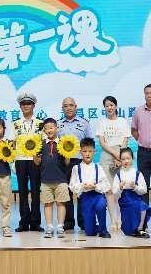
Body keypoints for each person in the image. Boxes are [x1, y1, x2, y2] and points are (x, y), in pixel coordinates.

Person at [58, 96, 93, 232]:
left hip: (80, 161)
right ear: (62, 108)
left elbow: (89, 143)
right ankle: (68, 222)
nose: (69, 108)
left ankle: (83, 221)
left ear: (76, 107)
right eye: (66, 106)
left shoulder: (84, 123)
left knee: (81, 191)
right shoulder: (58, 124)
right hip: (64, 162)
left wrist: (87, 160)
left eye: (71, 105)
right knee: (66, 192)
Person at [96, 96, 130, 230]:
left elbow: (125, 140)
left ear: (116, 106)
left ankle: (121, 220)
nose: (109, 108)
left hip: (122, 154)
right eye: (107, 106)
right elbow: (102, 142)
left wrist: (120, 156)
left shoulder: (123, 121)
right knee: (109, 190)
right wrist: (115, 154)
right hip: (107, 154)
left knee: (121, 189)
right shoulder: (101, 122)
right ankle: (113, 220)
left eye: (111, 105)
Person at [68, 137, 111, 238]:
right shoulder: (76, 168)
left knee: (101, 205)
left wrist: (95, 186)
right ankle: (94, 227)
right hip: (85, 198)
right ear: (80, 152)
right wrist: (82, 186)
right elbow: (72, 186)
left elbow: (106, 185)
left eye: (90, 151)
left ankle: (103, 230)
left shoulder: (98, 167)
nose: (87, 154)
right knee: (90, 232)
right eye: (84, 151)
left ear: (94, 152)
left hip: (97, 196)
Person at [35, 118, 70, 238]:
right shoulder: (40, 144)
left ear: (56, 128)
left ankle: (60, 227)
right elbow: (37, 163)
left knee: (61, 203)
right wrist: (34, 155)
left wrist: (67, 155)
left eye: (51, 127)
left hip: (61, 180)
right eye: (46, 128)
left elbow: (67, 163)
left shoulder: (63, 143)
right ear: (44, 130)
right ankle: (49, 227)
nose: (49, 130)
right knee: (48, 204)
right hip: (45, 180)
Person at [13, 91, 43, 232]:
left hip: (35, 160)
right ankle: (24, 222)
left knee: (36, 191)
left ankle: (35, 222)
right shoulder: (15, 124)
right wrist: (13, 162)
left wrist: (40, 159)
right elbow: (12, 144)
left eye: (28, 103)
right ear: (20, 106)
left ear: (33, 105)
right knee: (22, 191)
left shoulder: (40, 123)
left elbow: (43, 142)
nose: (26, 106)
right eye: (23, 104)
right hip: (20, 160)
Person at [112, 147, 151, 238]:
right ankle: (131, 228)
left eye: (128, 158)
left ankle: (140, 228)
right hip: (124, 201)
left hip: (136, 199)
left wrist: (135, 187)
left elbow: (144, 190)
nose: (126, 161)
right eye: (123, 159)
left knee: (142, 206)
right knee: (128, 231)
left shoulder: (138, 173)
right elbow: (115, 192)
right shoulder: (118, 175)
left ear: (132, 159)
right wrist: (120, 187)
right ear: (120, 161)